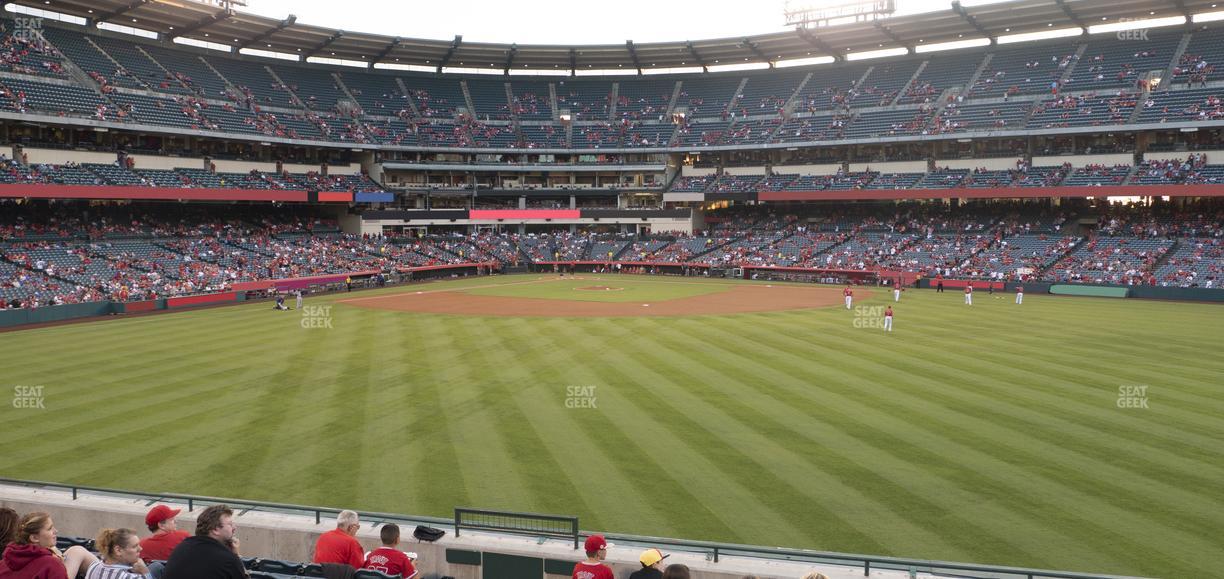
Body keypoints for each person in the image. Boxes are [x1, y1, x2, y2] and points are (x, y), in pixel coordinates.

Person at [1, 511, 98, 579]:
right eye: (50, 528)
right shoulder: (51, 564)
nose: (55, 531)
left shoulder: (4, 563)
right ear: (34, 538)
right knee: (77, 551)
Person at [161, 504, 245, 579]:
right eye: (230, 524)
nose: (234, 527)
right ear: (215, 529)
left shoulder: (182, 547)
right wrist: (236, 555)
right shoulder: (229, 560)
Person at [85, 528, 150, 579]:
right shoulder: (130, 577)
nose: (140, 549)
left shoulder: (93, 566)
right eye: (135, 546)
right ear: (118, 550)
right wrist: (145, 572)